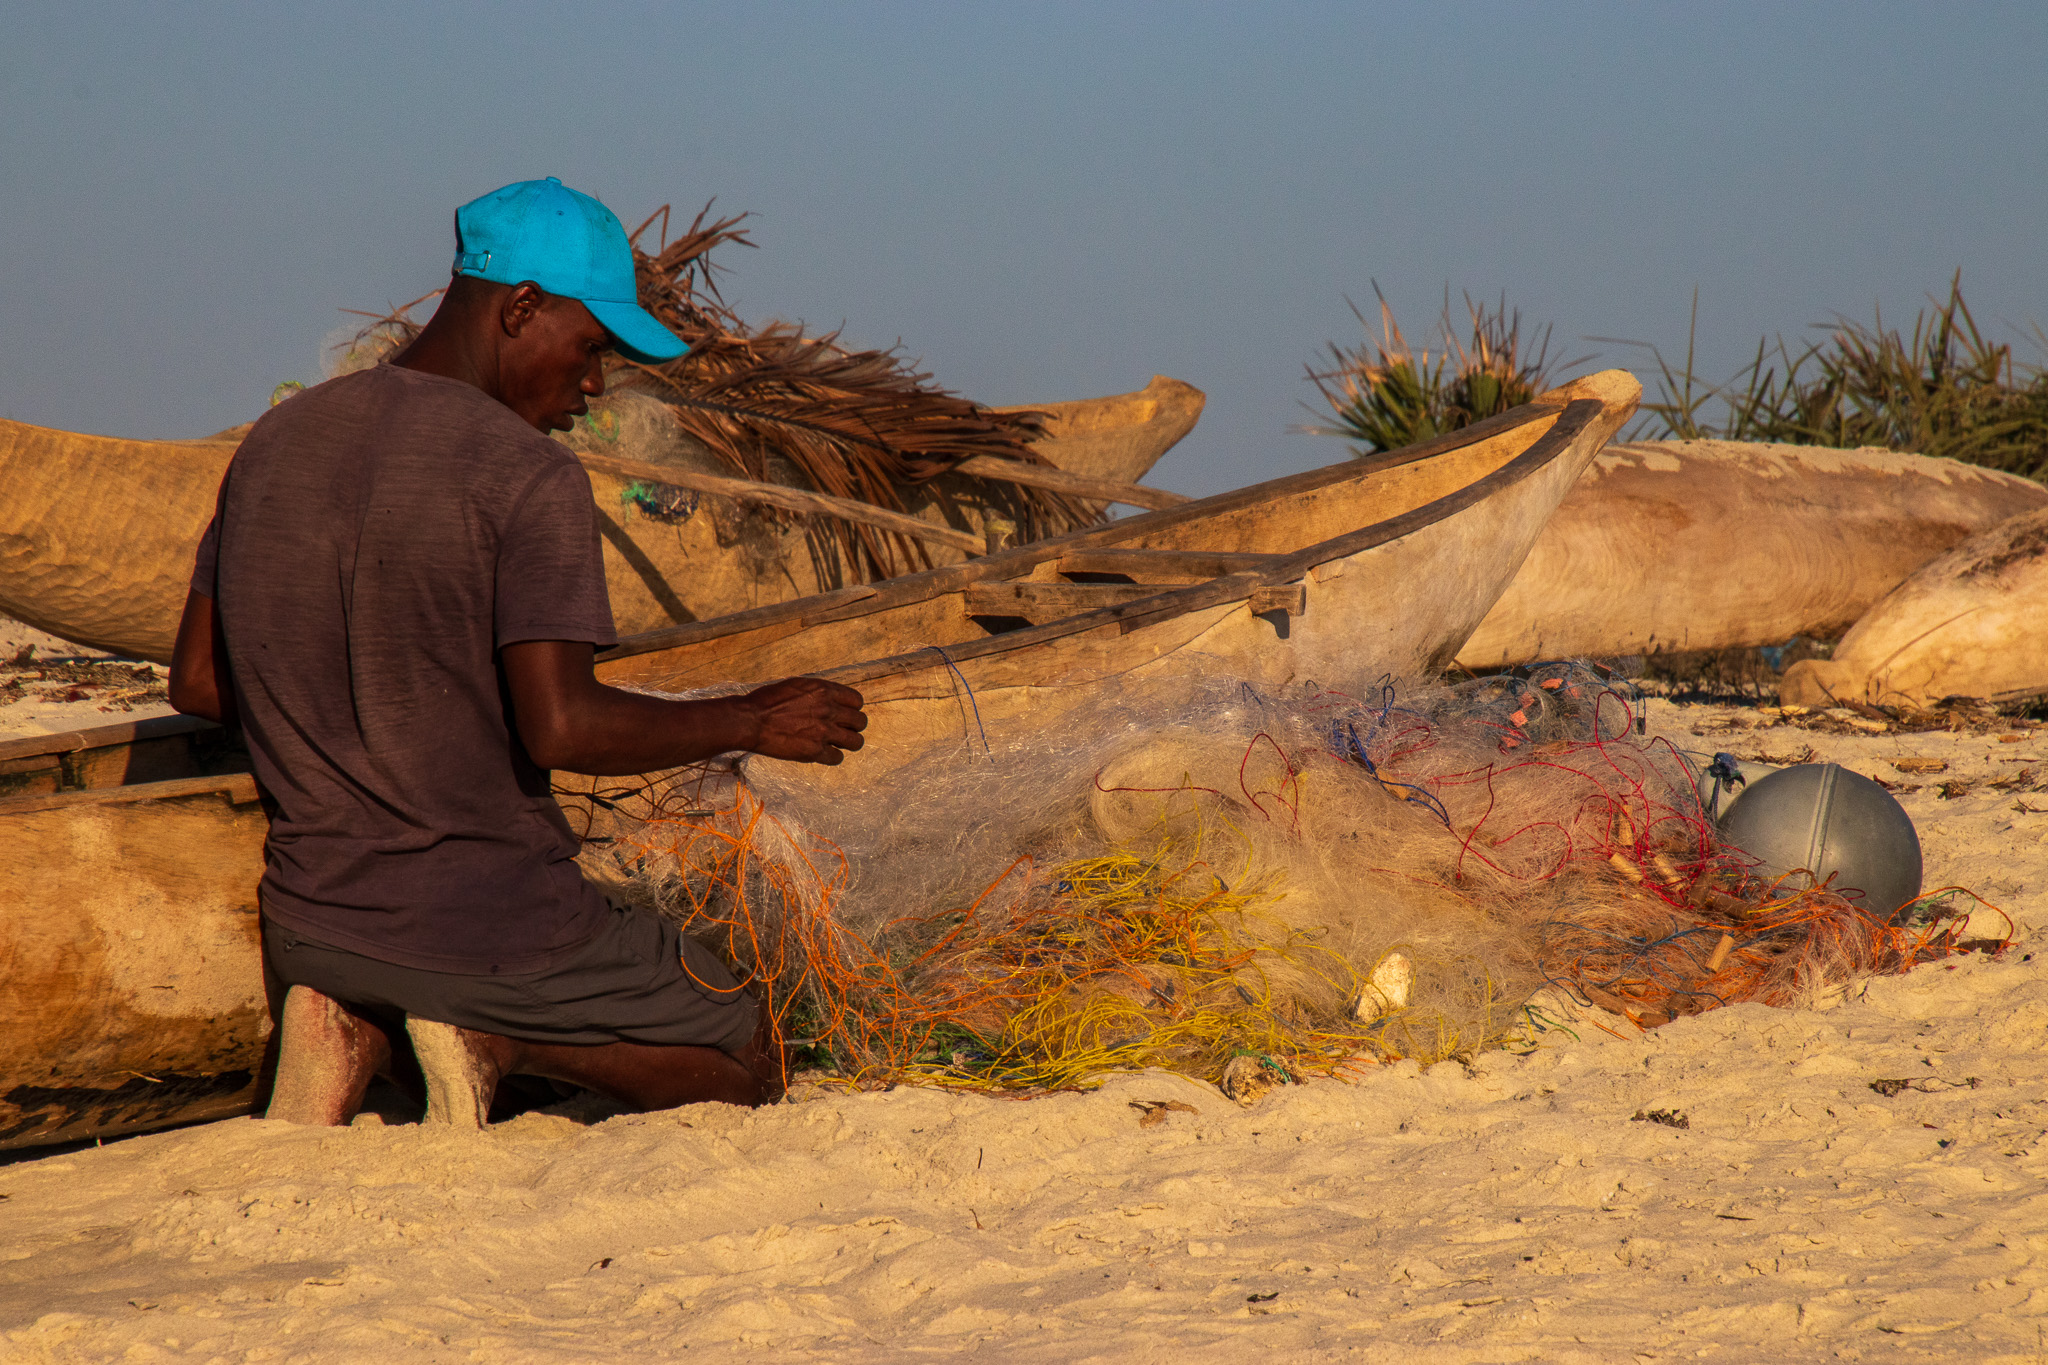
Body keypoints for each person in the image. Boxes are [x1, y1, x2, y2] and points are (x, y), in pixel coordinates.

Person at [167, 177, 867, 1125]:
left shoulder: (276, 440)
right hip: (484, 930)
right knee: (756, 1047)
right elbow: (561, 725)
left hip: (311, 924)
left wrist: (358, 699)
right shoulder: (528, 475)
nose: (595, 384)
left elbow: (202, 682)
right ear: (521, 308)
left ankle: (355, 1021)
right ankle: (499, 1038)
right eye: (590, 348)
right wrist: (752, 717)